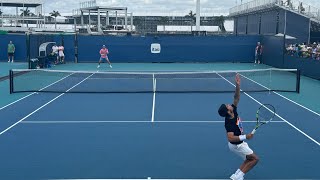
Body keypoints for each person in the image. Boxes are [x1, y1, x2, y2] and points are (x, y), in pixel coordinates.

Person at [218, 74, 259, 180]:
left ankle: (236, 174)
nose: (229, 104)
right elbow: (230, 138)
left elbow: (236, 97)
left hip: (237, 144)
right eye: (227, 106)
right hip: (236, 145)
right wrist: (246, 136)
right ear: (228, 111)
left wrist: (238, 85)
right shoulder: (229, 123)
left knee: (248, 158)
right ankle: (239, 177)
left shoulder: (233, 111)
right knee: (255, 159)